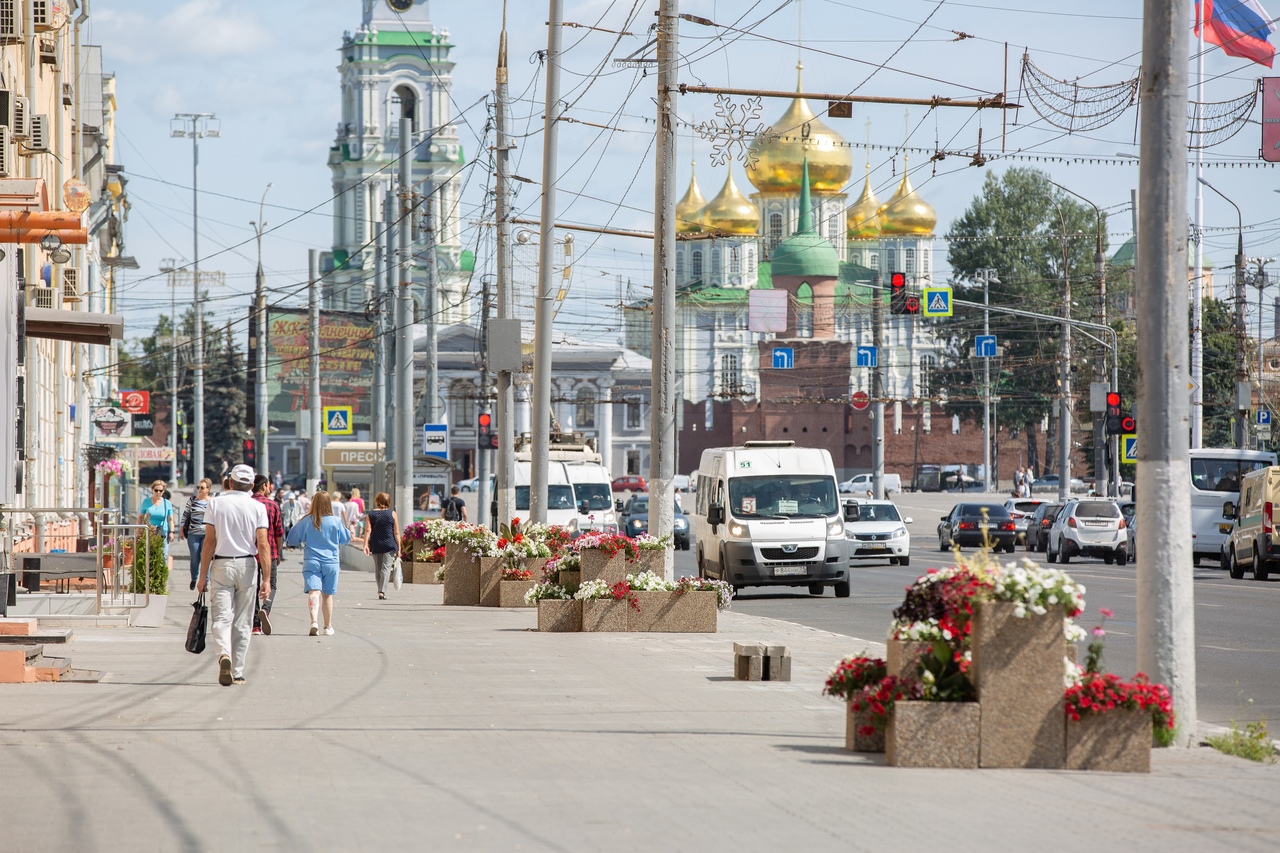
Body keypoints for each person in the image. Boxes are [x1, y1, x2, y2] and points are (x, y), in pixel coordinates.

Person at [197, 464, 270, 687]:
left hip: (221, 564)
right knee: (243, 621)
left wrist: (202, 576)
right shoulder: (257, 507)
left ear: (230, 481)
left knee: (221, 618)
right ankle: (237, 672)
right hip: (248, 564)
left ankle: (223, 654)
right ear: (250, 484)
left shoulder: (216, 503)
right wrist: (266, 579)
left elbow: (209, 542)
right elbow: (264, 544)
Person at [286, 491, 351, 636]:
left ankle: (314, 621)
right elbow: (346, 539)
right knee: (328, 595)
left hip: (311, 561)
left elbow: (291, 539)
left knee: (314, 592)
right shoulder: (336, 521)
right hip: (331, 562)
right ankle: (328, 627)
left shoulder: (307, 520)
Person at [252, 474, 285, 636]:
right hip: (269, 552)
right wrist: (278, 553)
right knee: (271, 585)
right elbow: (279, 532)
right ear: (264, 486)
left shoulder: (247, 504)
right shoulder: (273, 505)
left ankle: (255, 626)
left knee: (253, 588)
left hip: (249, 553)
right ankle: (266, 609)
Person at [363, 492, 401, 600]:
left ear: (377, 500)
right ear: (388, 501)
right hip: (389, 543)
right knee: (386, 568)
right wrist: (399, 547)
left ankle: (380, 589)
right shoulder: (392, 514)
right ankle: (381, 591)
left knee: (378, 568)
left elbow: (367, 530)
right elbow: (397, 533)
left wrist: (365, 544)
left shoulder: (370, 514)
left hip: (376, 544)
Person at [179, 479, 213, 591]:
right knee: (194, 558)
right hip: (193, 533)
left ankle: (205, 582)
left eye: (202, 487)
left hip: (206, 533)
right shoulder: (192, 500)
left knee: (205, 558)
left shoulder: (212, 502)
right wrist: (181, 529)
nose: (199, 489)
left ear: (208, 489)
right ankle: (194, 578)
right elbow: (185, 514)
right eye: (198, 487)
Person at [138, 480, 176, 573]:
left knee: (163, 555)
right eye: (156, 490)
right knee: (148, 554)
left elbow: (170, 519)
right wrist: (138, 529)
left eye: (161, 491)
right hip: (149, 530)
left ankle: (161, 576)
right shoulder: (146, 502)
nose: (158, 492)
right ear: (152, 490)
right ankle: (149, 575)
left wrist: (171, 532)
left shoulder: (167, 503)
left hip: (162, 531)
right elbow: (140, 517)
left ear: (163, 491)